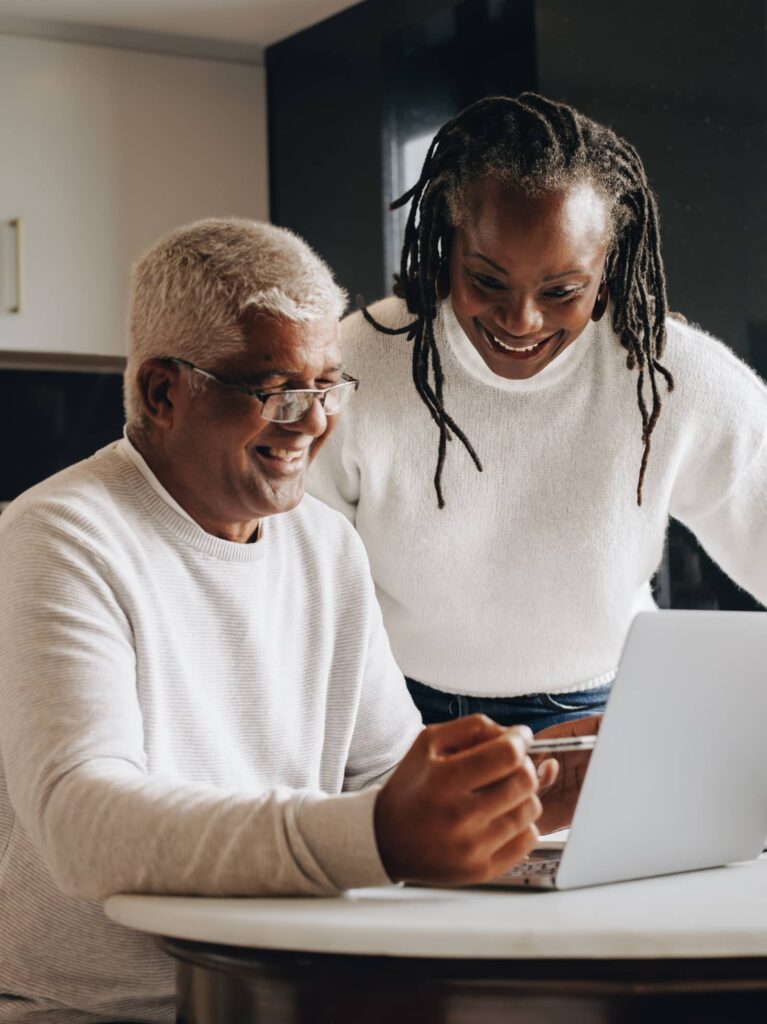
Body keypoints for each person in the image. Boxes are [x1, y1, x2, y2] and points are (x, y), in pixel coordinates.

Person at [0, 219, 543, 1024]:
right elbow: (84, 823)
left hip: (291, 991)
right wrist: (380, 837)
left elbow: (384, 779)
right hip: (108, 1008)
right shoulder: (60, 534)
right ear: (162, 391)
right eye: (277, 390)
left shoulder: (326, 546)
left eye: (327, 386)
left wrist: (533, 786)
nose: (315, 421)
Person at [309, 93, 767, 732]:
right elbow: (292, 573)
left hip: (606, 711)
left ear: (606, 274)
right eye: (489, 281)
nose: (521, 320)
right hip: (398, 712)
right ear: (447, 246)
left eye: (561, 292)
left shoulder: (668, 376)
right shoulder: (359, 362)